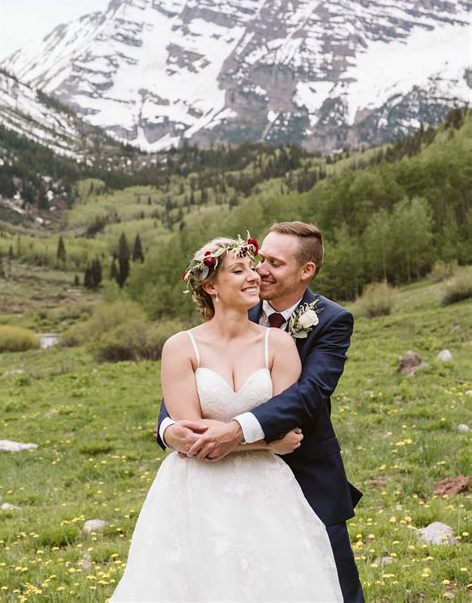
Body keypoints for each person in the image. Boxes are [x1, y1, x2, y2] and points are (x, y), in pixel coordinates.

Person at [111, 234, 343, 602]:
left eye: (258, 267)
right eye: (241, 269)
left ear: (307, 271)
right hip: (199, 489)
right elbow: (193, 438)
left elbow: (298, 408)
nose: (256, 275)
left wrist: (236, 436)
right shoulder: (181, 346)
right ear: (210, 286)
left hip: (271, 489)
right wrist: (263, 441)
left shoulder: (282, 342)